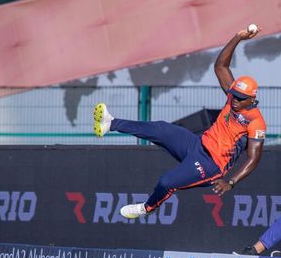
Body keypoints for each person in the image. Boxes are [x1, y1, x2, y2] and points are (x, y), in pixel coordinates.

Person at [93, 26, 266, 219]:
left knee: (167, 182)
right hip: (197, 144)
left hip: (211, 165)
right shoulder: (232, 97)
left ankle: (146, 208)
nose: (234, 99)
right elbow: (220, 67)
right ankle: (111, 123)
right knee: (160, 128)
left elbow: (253, 159)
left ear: (251, 99)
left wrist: (231, 182)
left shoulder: (256, 122)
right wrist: (238, 37)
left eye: (240, 97)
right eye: (233, 94)